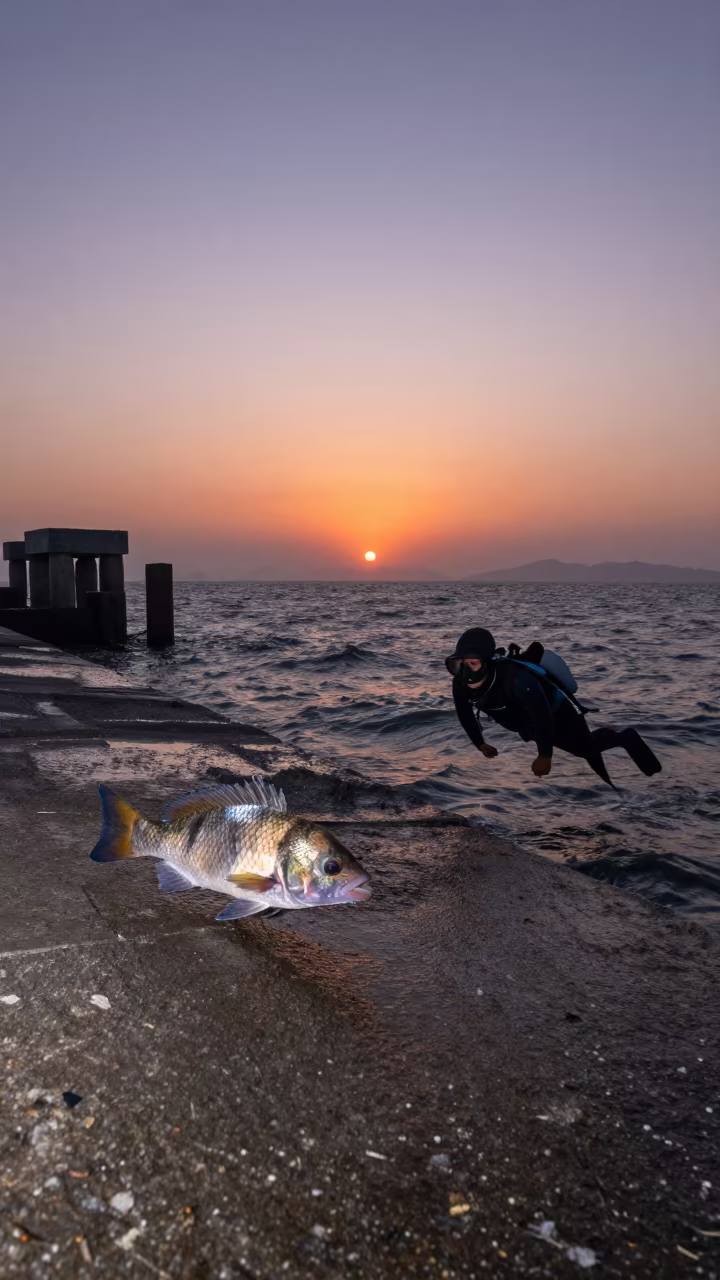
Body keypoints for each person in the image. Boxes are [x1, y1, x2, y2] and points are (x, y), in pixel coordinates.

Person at [446, 627, 661, 787]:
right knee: (584, 751)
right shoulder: (460, 683)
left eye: (472, 664)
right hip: (527, 725)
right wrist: (480, 744)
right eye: (458, 665)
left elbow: (542, 715)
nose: (466, 672)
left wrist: (544, 756)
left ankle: (626, 738)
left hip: (558, 715)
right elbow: (464, 714)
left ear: (488, 662)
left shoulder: (518, 680)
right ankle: (617, 792)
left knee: (585, 749)